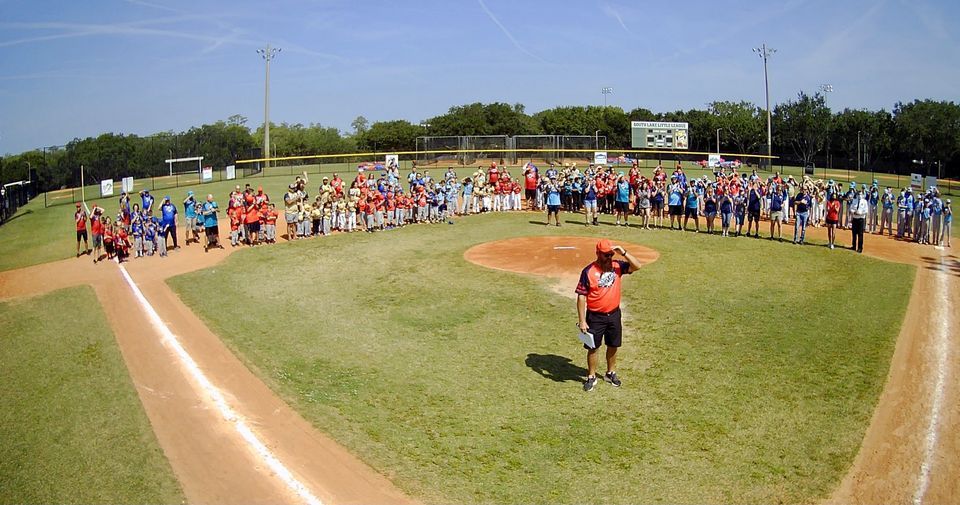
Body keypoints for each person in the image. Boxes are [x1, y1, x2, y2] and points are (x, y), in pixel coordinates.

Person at [575, 239, 643, 392]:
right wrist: (582, 320)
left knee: (613, 345)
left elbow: (637, 266)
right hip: (595, 317)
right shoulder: (588, 271)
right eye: (605, 255)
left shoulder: (617, 266)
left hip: (613, 315)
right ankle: (591, 376)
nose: (609, 258)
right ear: (598, 254)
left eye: (610, 255)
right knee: (593, 347)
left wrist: (623, 251)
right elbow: (581, 296)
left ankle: (610, 372)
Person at [850, 187, 868, 253]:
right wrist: (853, 212)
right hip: (855, 218)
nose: (859, 196)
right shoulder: (854, 200)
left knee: (860, 234)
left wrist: (860, 213)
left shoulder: (865, 202)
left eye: (861, 194)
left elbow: (866, 211)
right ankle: (853, 246)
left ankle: (860, 248)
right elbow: (851, 208)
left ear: (863, 195)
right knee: (854, 233)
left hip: (861, 219)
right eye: (858, 194)